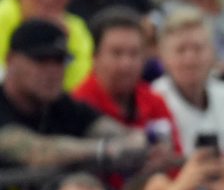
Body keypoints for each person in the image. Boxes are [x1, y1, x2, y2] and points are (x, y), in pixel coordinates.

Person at [0, 20, 153, 174]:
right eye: (41, 60)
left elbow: (109, 129)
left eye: (59, 61)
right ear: (10, 60)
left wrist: (136, 140)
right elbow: (36, 152)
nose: (52, 71)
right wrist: (103, 150)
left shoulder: (60, 103)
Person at [151, 8, 224, 152]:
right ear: (162, 56)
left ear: (213, 52)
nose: (190, 59)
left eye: (198, 48)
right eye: (180, 50)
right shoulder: (153, 100)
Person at [72, 7, 177, 143]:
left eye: (134, 53)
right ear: (94, 57)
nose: (126, 64)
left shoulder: (155, 101)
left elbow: (174, 158)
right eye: (116, 53)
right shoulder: (76, 109)